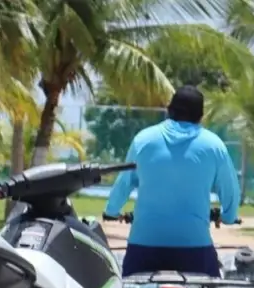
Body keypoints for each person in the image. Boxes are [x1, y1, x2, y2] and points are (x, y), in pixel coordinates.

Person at [103, 85, 241, 277]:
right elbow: (230, 191)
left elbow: (124, 183)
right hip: (195, 250)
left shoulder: (143, 140)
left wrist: (112, 211)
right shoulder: (214, 145)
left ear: (169, 111)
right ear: (201, 116)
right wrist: (228, 216)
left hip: (144, 247)